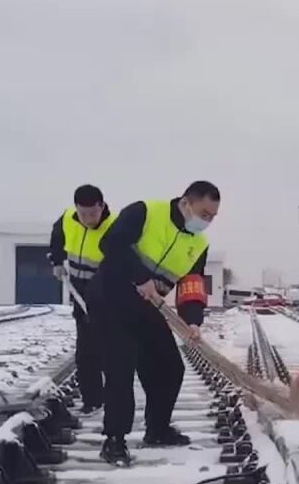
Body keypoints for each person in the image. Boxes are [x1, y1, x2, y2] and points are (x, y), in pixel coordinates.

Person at [88, 181, 220, 466]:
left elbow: (192, 285)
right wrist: (140, 277)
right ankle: (114, 440)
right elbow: (110, 243)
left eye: (212, 217)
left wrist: (193, 321)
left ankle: (157, 429)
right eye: (204, 213)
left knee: (170, 366)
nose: (206, 221)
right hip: (110, 298)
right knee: (121, 367)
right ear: (186, 203)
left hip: (148, 305)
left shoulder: (198, 244)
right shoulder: (145, 212)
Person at [49, 184, 115, 414]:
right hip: (79, 291)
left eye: (92, 213)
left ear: (102, 206)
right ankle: (92, 400)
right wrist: (57, 261)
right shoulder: (68, 218)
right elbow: (57, 236)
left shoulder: (113, 226)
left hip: (106, 293)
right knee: (85, 351)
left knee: (109, 350)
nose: (87, 219)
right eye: (83, 213)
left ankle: (114, 398)